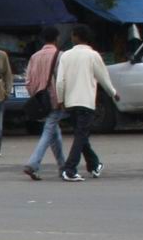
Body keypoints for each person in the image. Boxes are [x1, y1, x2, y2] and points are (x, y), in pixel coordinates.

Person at [54, 26, 113, 181]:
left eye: (72, 35)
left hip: (70, 103)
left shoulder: (66, 55)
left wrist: (60, 99)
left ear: (76, 37)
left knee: (81, 136)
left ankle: (94, 164)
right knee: (81, 136)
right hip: (86, 102)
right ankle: (70, 169)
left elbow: (60, 82)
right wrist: (113, 93)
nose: (71, 38)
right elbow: (103, 77)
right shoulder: (93, 55)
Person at [20, 28, 65, 181]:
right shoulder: (60, 56)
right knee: (49, 132)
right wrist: (62, 99)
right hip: (56, 100)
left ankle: (63, 166)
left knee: (53, 133)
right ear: (57, 38)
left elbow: (28, 81)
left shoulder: (34, 57)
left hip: (41, 101)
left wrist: (35, 96)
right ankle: (33, 164)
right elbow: (62, 80)